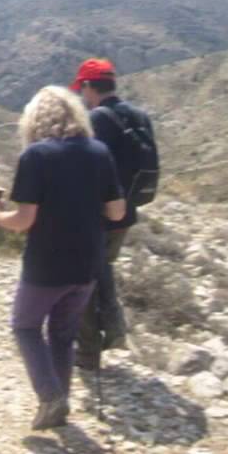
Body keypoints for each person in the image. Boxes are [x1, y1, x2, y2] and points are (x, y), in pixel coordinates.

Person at [0, 85, 125, 430]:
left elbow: (23, 221)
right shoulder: (99, 151)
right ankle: (59, 400)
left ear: (34, 120)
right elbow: (118, 211)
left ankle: (51, 398)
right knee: (63, 334)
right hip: (89, 262)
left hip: (47, 263)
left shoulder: (36, 156)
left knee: (25, 325)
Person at [69, 58, 158, 370]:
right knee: (101, 268)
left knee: (82, 279)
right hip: (127, 214)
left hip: (97, 215)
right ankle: (114, 328)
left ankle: (88, 352)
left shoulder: (97, 119)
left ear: (89, 87)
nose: (82, 94)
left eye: (82, 88)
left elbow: (86, 168)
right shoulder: (140, 116)